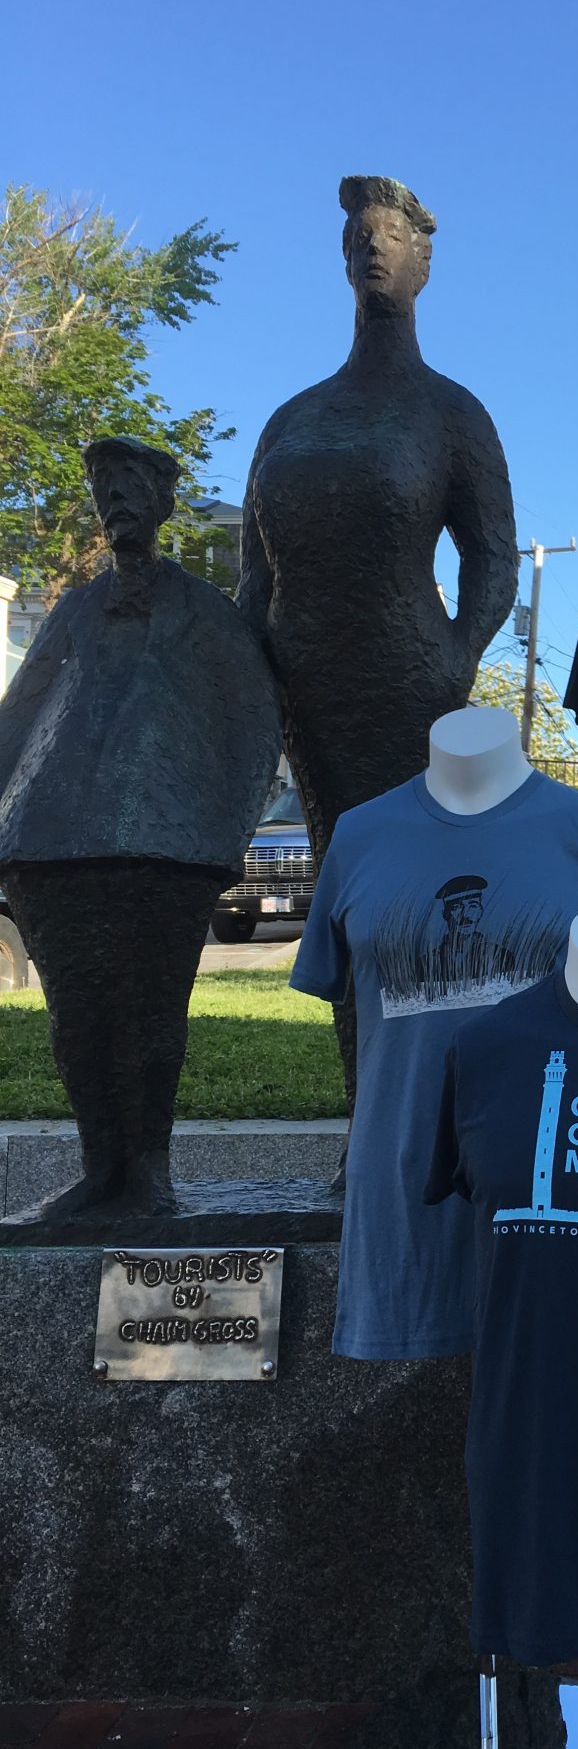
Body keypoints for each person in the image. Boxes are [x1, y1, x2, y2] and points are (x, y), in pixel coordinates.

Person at [0, 437, 281, 1217]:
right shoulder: (74, 610)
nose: (117, 500)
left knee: (153, 1018)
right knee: (77, 1020)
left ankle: (148, 1172)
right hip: (52, 843)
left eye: (131, 484)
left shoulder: (208, 612)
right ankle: (101, 1170)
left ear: (164, 501)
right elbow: (18, 717)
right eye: (105, 487)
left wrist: (226, 833)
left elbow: (254, 723)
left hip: (169, 847)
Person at [237, 175, 517, 867]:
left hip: (409, 671)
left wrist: (459, 656)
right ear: (343, 261)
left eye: (391, 237)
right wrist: (253, 669)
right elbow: (255, 574)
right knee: (338, 867)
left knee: (407, 868)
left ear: (423, 264)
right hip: (304, 678)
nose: (374, 250)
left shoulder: (452, 412)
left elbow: (492, 556)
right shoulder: (292, 419)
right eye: (360, 238)